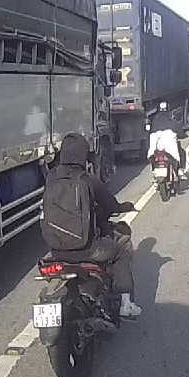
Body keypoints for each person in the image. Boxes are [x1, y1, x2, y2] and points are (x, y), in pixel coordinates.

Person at [43, 133, 142, 318]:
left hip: (56, 251)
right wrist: (123, 207)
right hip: (86, 250)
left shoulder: (51, 178)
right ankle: (126, 304)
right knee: (120, 251)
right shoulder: (87, 179)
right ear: (83, 155)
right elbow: (110, 204)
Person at [147, 101, 187, 176]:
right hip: (168, 146)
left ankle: (154, 170)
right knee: (181, 152)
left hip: (156, 147)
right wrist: (184, 136)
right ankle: (180, 170)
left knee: (152, 154)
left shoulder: (154, 120)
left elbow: (149, 132)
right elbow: (179, 131)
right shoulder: (171, 120)